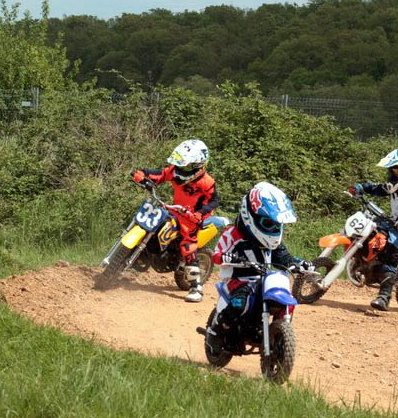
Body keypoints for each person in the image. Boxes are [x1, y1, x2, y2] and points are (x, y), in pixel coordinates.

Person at [206, 181, 314, 354]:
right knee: (239, 303)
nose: (274, 229)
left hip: (264, 278)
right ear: (250, 216)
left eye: (277, 225)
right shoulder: (233, 234)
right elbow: (217, 255)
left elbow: (285, 257)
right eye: (269, 223)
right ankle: (214, 333)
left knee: (285, 297)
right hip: (239, 279)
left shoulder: (274, 243)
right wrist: (228, 257)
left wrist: (299, 264)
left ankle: (278, 334)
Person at [132, 139, 219, 303]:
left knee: (187, 246)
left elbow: (213, 201)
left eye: (185, 166)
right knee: (153, 222)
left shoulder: (207, 182)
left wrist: (200, 213)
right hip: (174, 210)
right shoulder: (174, 171)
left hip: (191, 217)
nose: (180, 169)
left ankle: (196, 287)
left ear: (197, 165)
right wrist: (142, 175)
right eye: (179, 165)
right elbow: (159, 174)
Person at [348, 147, 398, 311]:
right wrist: (361, 188)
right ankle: (365, 265)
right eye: (393, 170)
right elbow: (379, 188)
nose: (394, 174)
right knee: (366, 234)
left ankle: (384, 297)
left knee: (390, 253)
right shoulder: (396, 184)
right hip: (391, 222)